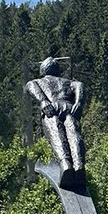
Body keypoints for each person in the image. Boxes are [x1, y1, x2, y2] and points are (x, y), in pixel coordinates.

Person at [25, 57, 87, 188]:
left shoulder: (38, 81)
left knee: (57, 135)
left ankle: (65, 164)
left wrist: (43, 101)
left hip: (52, 108)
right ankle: (79, 165)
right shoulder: (67, 82)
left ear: (43, 70)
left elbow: (30, 86)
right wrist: (78, 102)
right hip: (68, 106)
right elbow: (80, 85)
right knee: (74, 134)